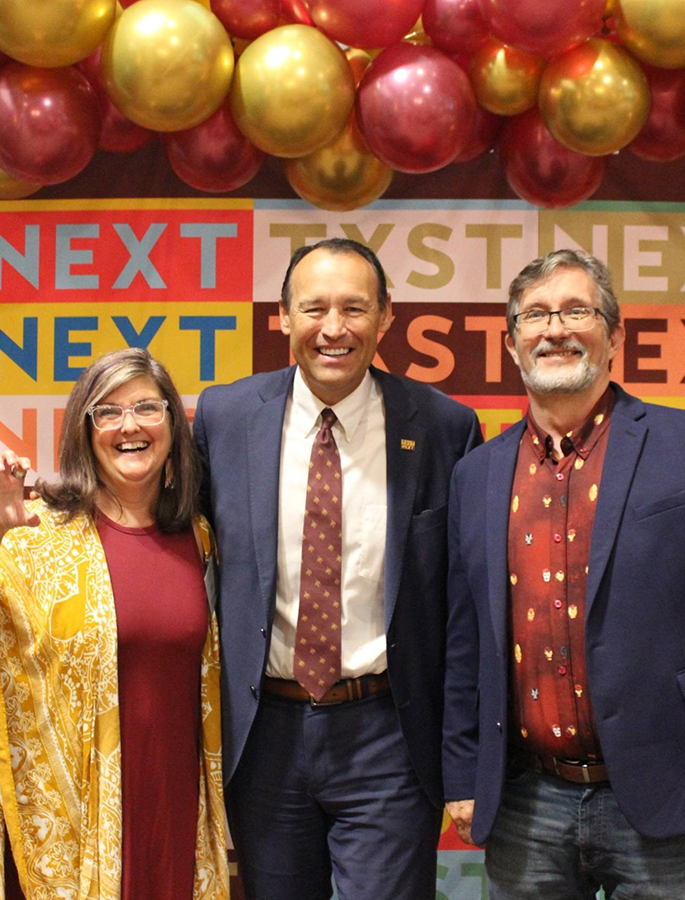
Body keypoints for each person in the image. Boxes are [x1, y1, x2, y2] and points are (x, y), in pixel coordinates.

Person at [442, 249, 685, 899]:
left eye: (576, 310)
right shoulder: (477, 472)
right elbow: (464, 638)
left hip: (669, 789)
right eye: (534, 315)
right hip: (525, 800)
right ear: (512, 344)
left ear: (615, 335)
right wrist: (460, 772)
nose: (554, 327)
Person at [194, 237, 482, 900]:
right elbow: (174, 539)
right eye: (313, 307)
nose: (333, 328)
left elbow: (466, 606)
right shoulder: (225, 417)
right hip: (262, 733)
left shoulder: (444, 426)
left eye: (354, 308)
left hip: (388, 732)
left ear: (386, 317)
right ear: (283, 317)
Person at [0, 348, 230, 900]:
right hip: (65, 818)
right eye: (108, 412)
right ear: (85, 430)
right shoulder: (37, 532)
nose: (129, 426)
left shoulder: (199, 536)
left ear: (172, 426)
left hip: (167, 803)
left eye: (147, 407)